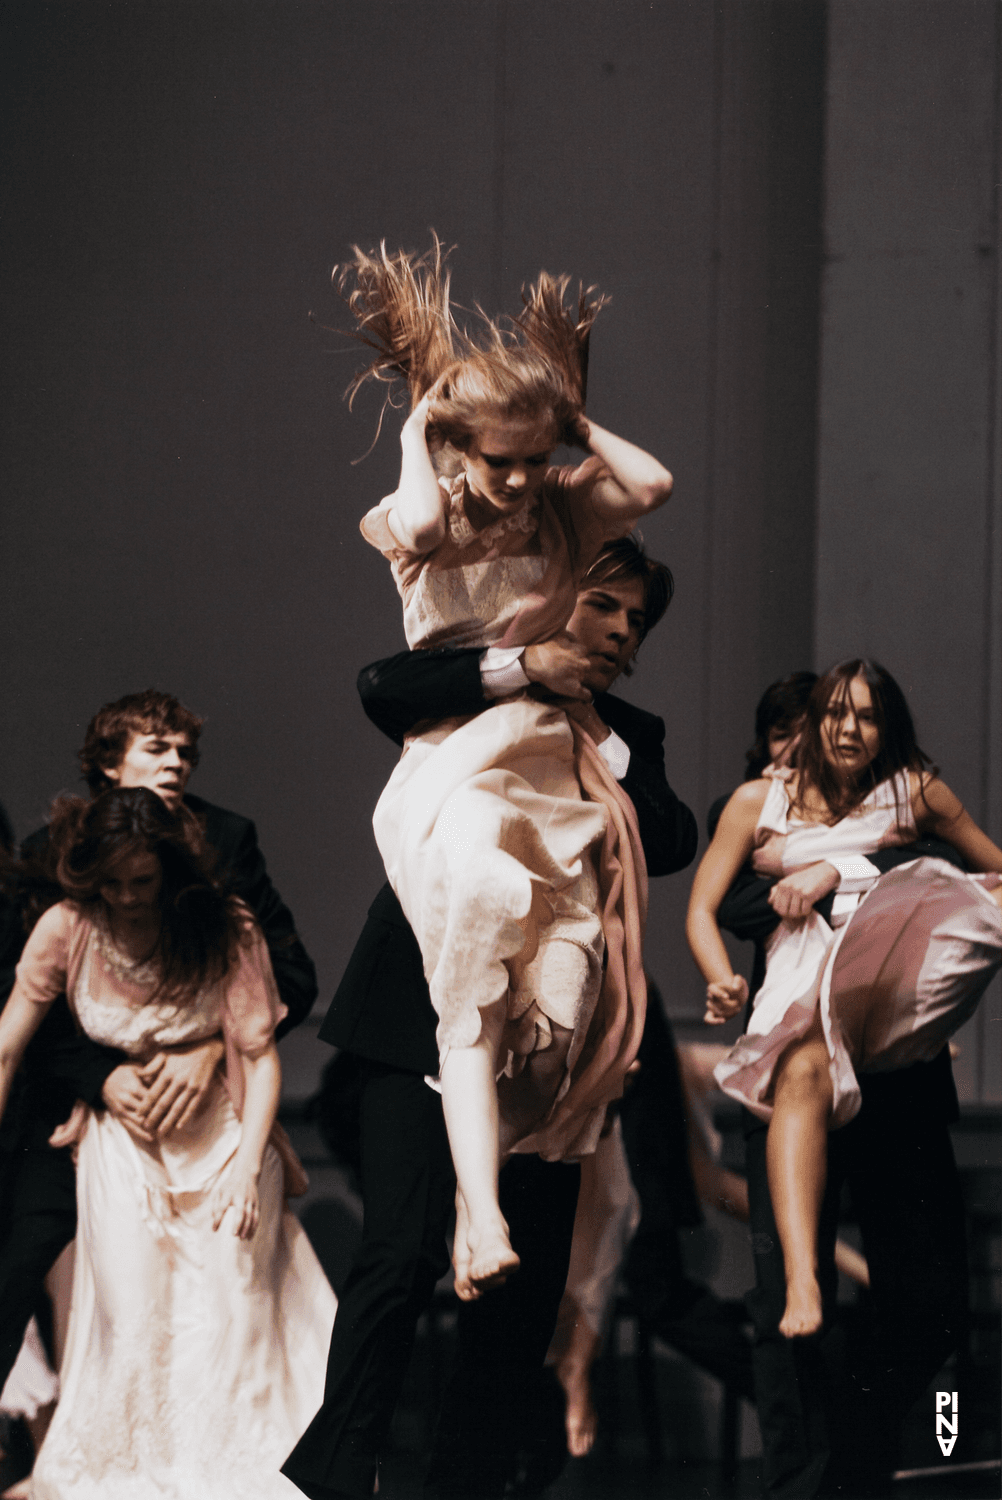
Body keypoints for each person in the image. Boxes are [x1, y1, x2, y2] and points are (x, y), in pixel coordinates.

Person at [284, 538, 696, 1500]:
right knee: (401, 1252)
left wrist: (596, 735)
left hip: (548, 1048)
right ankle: (339, 1477)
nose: (621, 630)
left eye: (636, 622)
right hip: (414, 1020)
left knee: (520, 1298)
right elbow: (382, 686)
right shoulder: (478, 679)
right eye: (606, 605)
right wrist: (520, 671)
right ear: (559, 600)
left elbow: (671, 836)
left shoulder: (633, 730)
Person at [339, 237, 673, 1296]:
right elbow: (428, 514)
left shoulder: (563, 509)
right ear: (459, 449)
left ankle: (501, 1191)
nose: (526, 483)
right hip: (455, 772)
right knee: (474, 970)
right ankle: (476, 1219)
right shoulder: (420, 521)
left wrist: (569, 426)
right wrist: (421, 429)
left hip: (543, 775)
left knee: (560, 994)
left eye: (537, 462)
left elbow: (652, 481)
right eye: (504, 462)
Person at [0, 787, 336, 1498]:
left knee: (228, 1306)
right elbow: (7, 1047)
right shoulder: (68, 927)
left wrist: (248, 1168)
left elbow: (262, 1054)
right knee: (133, 1309)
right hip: (124, 1142)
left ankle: (229, 1468)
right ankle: (139, 1469)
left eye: (142, 881)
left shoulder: (223, 925)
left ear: (172, 870)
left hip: (224, 1132)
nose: (125, 897)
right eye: (111, 882)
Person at [708, 670, 981, 1498]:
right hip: (797, 1055)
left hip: (898, 1068)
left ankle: (867, 1458)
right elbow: (738, 907)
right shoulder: (761, 818)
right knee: (788, 1298)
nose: (831, 738)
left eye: (857, 718)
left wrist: (843, 868)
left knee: (929, 1295)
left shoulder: (909, 807)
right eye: (812, 726)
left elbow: (940, 857)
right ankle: (804, 1484)